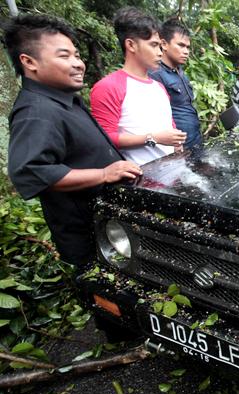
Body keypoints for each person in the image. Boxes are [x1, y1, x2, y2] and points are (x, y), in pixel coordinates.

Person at [5, 14, 142, 268]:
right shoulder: (37, 111)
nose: (78, 63)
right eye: (64, 56)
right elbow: (30, 171)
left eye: (76, 55)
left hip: (112, 230)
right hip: (90, 239)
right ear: (29, 62)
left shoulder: (63, 100)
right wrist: (103, 174)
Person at [90, 7, 186, 165]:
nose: (160, 53)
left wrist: (176, 142)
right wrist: (153, 138)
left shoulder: (159, 87)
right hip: (139, 181)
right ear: (131, 45)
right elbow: (104, 139)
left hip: (172, 173)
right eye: (153, 45)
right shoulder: (108, 87)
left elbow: (169, 126)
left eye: (160, 47)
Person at [149, 19, 201, 149]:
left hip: (195, 140)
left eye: (188, 47)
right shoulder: (155, 74)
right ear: (164, 44)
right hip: (177, 147)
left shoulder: (181, 72)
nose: (186, 51)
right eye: (181, 45)